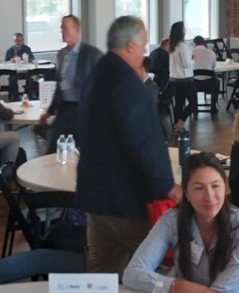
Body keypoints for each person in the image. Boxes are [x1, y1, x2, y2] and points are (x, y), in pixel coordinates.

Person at [76, 16, 181, 273]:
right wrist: (167, 186)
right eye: (143, 45)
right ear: (131, 45)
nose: (144, 52)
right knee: (161, 271)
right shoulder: (129, 85)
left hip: (95, 199)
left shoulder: (96, 75)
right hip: (127, 202)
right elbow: (145, 143)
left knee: (102, 279)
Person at [124, 152, 239, 293]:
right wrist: (184, 287)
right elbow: (132, 273)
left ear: (226, 189)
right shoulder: (172, 220)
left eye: (215, 186)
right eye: (199, 188)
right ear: (186, 194)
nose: (209, 197)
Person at [40, 15, 102, 153]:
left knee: (81, 150)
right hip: (65, 109)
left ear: (76, 30)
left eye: (65, 28)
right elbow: (59, 87)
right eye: (61, 28)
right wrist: (49, 111)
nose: (62, 31)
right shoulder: (61, 55)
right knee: (53, 148)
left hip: (83, 109)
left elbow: (103, 85)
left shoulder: (92, 54)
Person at [168, 21, 196, 131]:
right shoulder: (183, 46)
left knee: (179, 103)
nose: (185, 30)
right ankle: (181, 122)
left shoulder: (172, 45)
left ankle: (177, 126)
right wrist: (193, 60)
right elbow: (186, 64)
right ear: (181, 32)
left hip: (174, 78)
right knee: (193, 103)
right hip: (185, 79)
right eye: (184, 29)